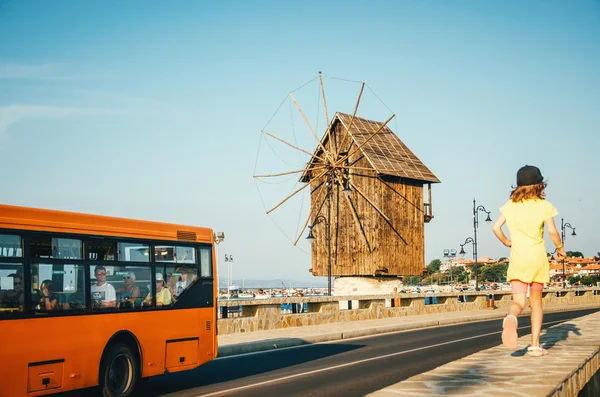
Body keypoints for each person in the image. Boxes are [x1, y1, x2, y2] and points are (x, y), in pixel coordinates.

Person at [492, 165, 566, 357]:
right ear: (540, 184)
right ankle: (534, 345)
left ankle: (511, 317)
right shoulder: (544, 206)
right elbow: (552, 232)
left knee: (518, 301)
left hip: (518, 258)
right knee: (536, 303)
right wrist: (560, 249)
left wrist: (507, 242)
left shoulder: (510, 206)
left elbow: (496, 227)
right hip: (537, 259)